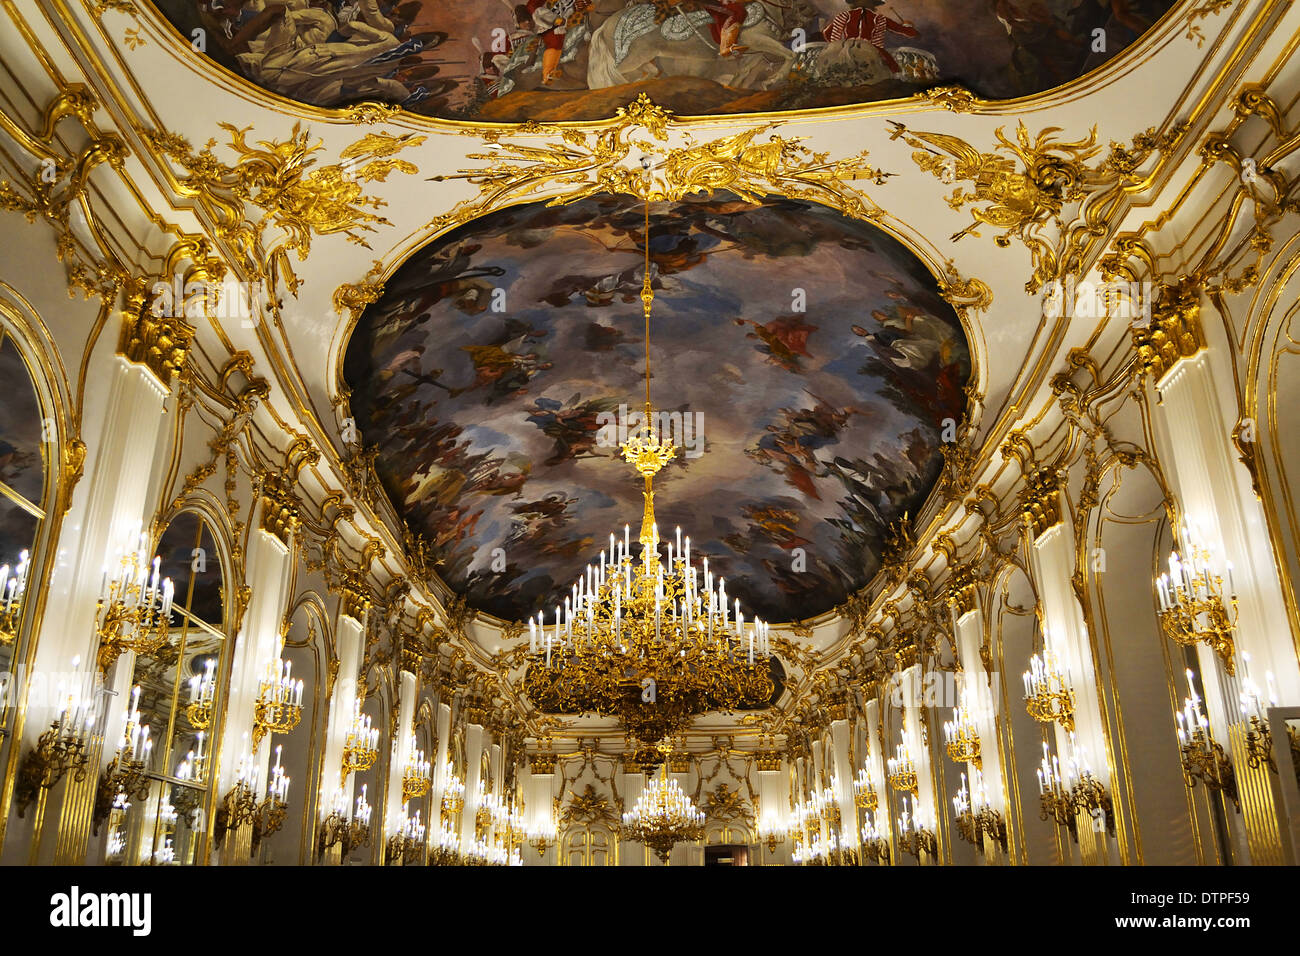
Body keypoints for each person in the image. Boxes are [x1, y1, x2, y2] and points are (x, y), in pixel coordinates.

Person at [821, 0, 917, 74]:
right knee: (893, 67)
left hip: (844, 48)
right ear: (874, 3)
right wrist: (907, 26)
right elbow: (908, 32)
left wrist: (839, 46)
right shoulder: (880, 19)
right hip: (872, 48)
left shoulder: (843, 16)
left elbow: (827, 33)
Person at [526, 0, 592, 84]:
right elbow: (532, 8)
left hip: (569, 17)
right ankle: (548, 74)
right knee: (555, 41)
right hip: (550, 22)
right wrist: (554, 19)